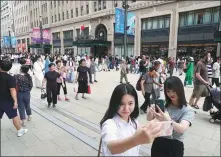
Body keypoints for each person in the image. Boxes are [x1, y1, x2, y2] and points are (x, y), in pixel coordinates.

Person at [100, 84, 161, 156]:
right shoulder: (109, 124)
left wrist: (155, 118)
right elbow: (112, 147)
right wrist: (136, 140)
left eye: (130, 103)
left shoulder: (134, 122)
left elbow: (147, 130)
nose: (126, 108)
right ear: (115, 103)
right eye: (121, 104)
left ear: (135, 103)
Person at [147, 76, 195, 157]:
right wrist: (150, 112)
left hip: (174, 145)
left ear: (180, 90)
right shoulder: (164, 103)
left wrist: (168, 120)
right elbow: (149, 119)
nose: (171, 94)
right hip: (158, 141)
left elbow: (182, 129)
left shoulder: (188, 110)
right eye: (168, 91)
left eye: (174, 91)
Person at [0, 60, 28, 137]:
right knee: (14, 116)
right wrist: (15, 101)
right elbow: (12, 90)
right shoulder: (9, 78)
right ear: (9, 68)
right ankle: (20, 131)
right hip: (7, 101)